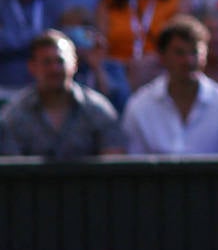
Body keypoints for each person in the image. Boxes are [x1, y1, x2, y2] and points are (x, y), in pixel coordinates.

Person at [121, 15, 218, 156]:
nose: (188, 61)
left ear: (205, 55)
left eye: (195, 52)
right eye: (179, 53)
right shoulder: (139, 107)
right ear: (162, 57)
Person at [0, 30, 125, 158]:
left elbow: (114, 164)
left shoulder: (98, 110)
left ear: (75, 63)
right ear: (32, 67)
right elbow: (9, 168)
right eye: (47, 62)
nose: (54, 69)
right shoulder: (14, 114)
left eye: (60, 61)